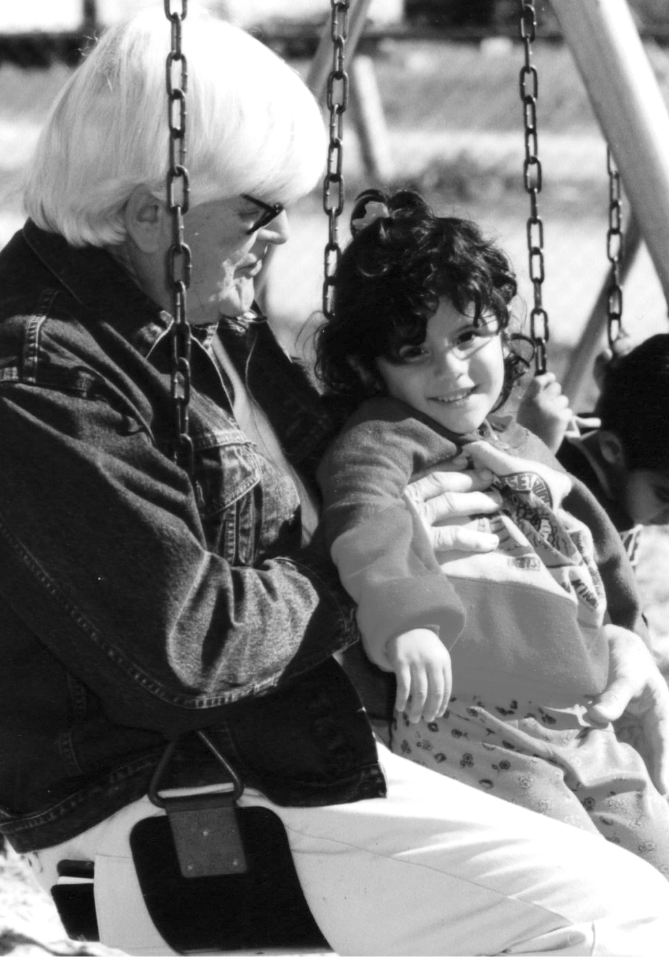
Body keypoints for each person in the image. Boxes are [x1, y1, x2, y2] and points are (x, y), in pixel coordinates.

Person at [1, 9, 669, 956]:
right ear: (155, 210)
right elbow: (185, 649)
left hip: (306, 742)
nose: (282, 234)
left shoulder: (205, 324)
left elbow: (380, 478)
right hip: (180, 799)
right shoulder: (42, 375)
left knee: (642, 872)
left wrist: (600, 628)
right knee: (617, 918)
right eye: (259, 209)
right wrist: (379, 573)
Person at [316, 188, 669, 878]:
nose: (450, 369)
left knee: (655, 860)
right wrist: (409, 620)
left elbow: (588, 542)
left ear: (501, 328)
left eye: (467, 337)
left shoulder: (520, 446)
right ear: (370, 369)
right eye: (414, 352)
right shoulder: (384, 441)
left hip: (580, 721)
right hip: (477, 724)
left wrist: (626, 632)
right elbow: (368, 519)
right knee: (576, 879)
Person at [554, 334, 669, 567]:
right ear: (611, 449)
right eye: (664, 495)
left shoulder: (594, 431)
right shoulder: (578, 501)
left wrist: (618, 385)